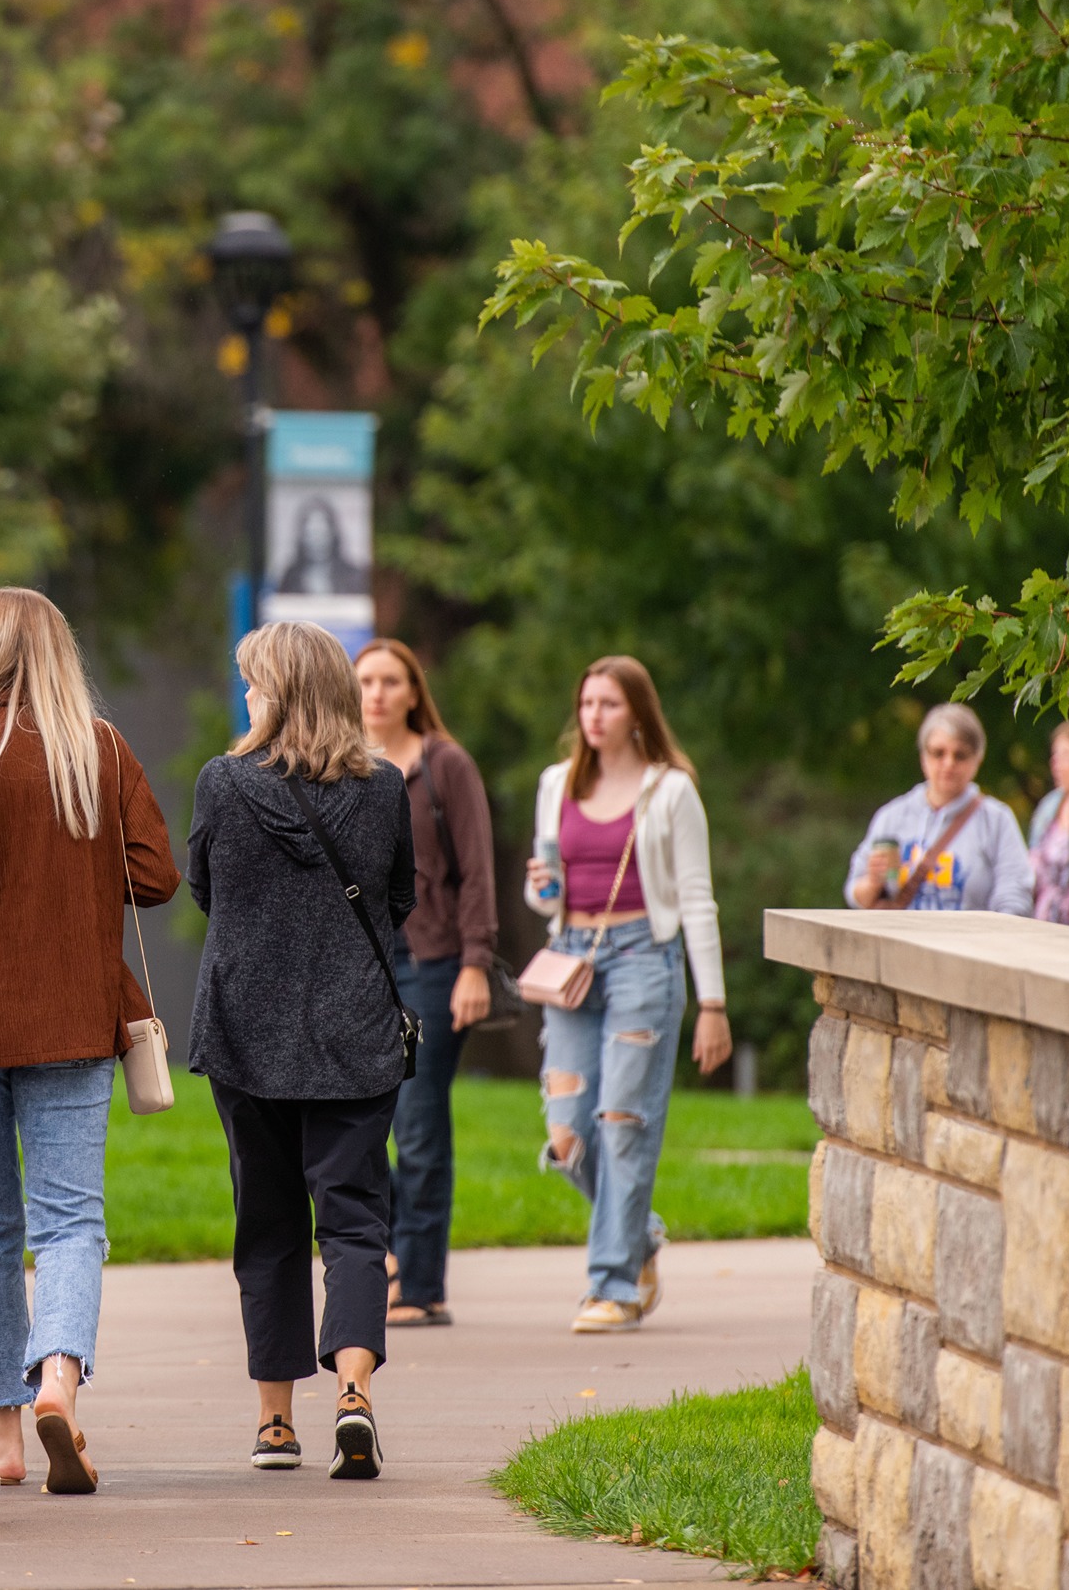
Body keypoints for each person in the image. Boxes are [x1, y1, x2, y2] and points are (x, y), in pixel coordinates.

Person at [0, 587, 180, 1495]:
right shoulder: (101, 744)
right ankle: (60, 1384)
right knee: (71, 1218)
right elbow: (157, 875)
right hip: (75, 1012)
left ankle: (3, 1434)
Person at [188, 621, 413, 1482]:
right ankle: (354, 1395)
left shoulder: (221, 782)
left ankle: (275, 1423)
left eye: (253, 681)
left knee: (268, 1222)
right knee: (355, 1218)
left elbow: (206, 887)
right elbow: (401, 896)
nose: (245, 694)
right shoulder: (386, 786)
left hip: (247, 1029)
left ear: (277, 691)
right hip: (355, 1031)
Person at [524, 655, 729, 1335]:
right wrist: (542, 888)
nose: (594, 715)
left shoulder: (670, 790)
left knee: (621, 1122)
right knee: (567, 1133)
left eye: (609, 703)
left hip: (646, 955)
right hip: (573, 958)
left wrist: (714, 1004)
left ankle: (613, 1285)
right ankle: (639, 1235)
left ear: (637, 712)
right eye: (587, 703)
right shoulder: (556, 784)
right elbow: (544, 890)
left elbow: (698, 899)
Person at [353, 638, 497, 1329]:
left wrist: (476, 962)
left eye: (390, 681)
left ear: (414, 690)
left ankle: (421, 1281)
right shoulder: (344, 766)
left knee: (418, 1122)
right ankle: (379, 1259)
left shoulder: (446, 764)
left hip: (435, 963)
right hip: (363, 966)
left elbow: (477, 870)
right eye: (365, 680)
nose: (376, 693)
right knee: (363, 1122)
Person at [845, 704, 1032, 916]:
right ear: (923, 756)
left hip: (968, 945)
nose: (948, 763)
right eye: (938, 753)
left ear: (977, 759)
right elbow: (854, 895)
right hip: (902, 943)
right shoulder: (892, 817)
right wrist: (872, 881)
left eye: (960, 755)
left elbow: (1015, 898)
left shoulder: (996, 820)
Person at [1027, 723, 1069, 926]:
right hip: (1044, 921)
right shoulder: (1050, 806)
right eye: (1054, 756)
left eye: (1066, 755)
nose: (1056, 763)